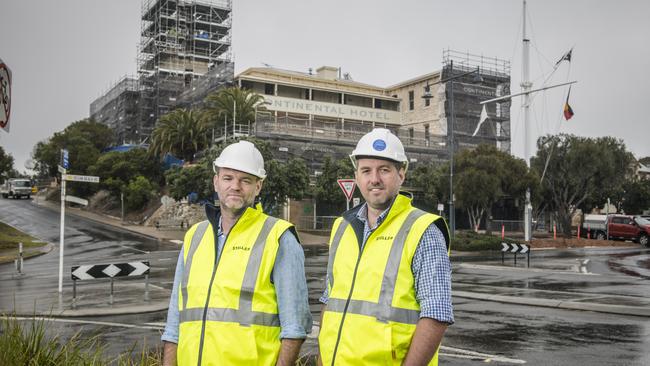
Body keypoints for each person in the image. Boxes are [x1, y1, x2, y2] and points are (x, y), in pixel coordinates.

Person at [161, 140, 312, 366]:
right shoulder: (194, 237)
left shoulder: (279, 237)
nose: (236, 186)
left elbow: (295, 328)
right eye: (228, 178)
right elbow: (175, 323)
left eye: (246, 180)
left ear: (258, 187)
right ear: (216, 182)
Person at [318, 128, 452, 366]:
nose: (374, 179)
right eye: (366, 170)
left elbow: (436, 315)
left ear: (401, 174)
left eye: (384, 170)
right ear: (357, 176)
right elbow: (330, 301)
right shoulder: (341, 228)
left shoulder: (423, 230)